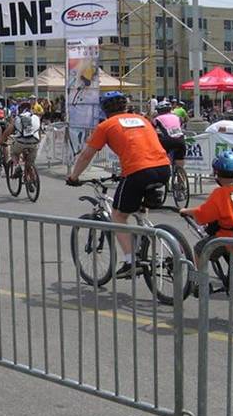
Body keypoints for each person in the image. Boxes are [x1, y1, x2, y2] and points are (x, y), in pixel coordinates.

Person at [66, 91, 171, 278]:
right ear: (125, 106)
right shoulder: (142, 119)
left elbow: (86, 155)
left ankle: (132, 261)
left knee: (118, 216)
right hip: (163, 168)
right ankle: (143, 237)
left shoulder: (106, 125)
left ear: (104, 110)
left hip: (138, 170)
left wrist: (74, 176)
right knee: (139, 206)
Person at [180, 150, 233, 263]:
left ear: (217, 173)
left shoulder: (219, 194)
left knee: (199, 250)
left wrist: (186, 211)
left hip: (228, 240)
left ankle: (198, 280)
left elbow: (203, 214)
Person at [2, 102, 41, 180]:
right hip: (34, 142)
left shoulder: (18, 118)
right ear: (31, 109)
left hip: (21, 142)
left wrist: (2, 140)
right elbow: (38, 132)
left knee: (13, 153)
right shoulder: (36, 117)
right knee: (30, 163)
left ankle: (17, 166)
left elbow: (8, 131)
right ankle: (33, 181)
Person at [152, 102, 186, 170]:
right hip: (181, 140)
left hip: (168, 141)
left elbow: (152, 129)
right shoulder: (177, 117)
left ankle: (165, 170)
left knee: (161, 155)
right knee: (180, 159)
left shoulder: (158, 118)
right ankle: (181, 177)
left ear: (159, 111)